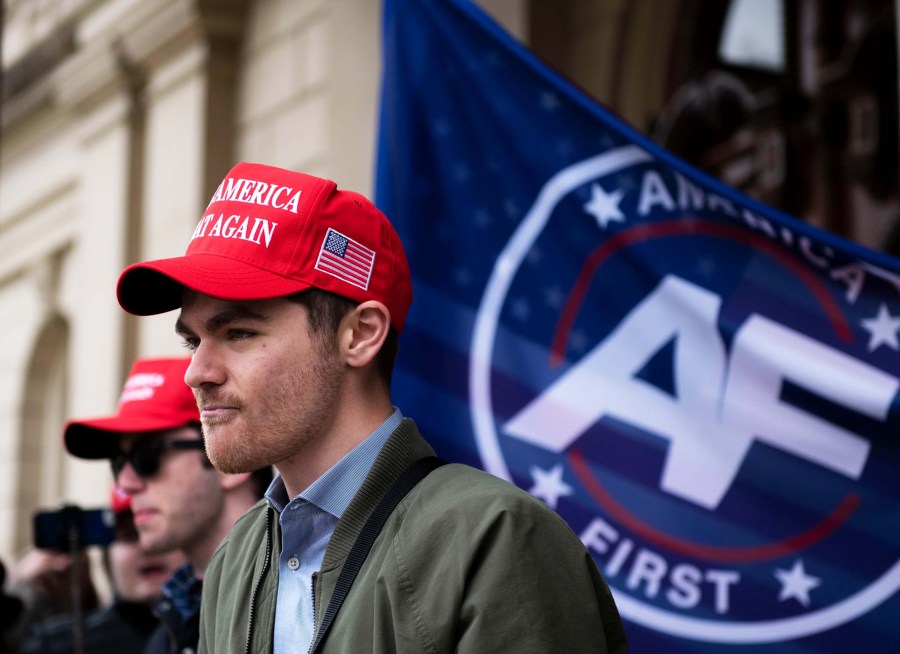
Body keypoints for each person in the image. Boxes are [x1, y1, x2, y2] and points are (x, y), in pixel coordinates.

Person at [115, 162, 629, 653]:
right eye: (193, 341)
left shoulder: (496, 538)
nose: (196, 372)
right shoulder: (236, 557)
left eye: (238, 333)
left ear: (360, 335)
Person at [62, 357, 272, 654]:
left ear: (230, 459)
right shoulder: (168, 628)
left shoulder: (297, 599)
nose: (126, 484)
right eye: (119, 462)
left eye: (146, 455)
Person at [19, 487, 184, 654]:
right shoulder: (55, 645)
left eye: (162, 532)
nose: (147, 546)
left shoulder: (201, 635)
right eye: (129, 535)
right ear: (107, 556)